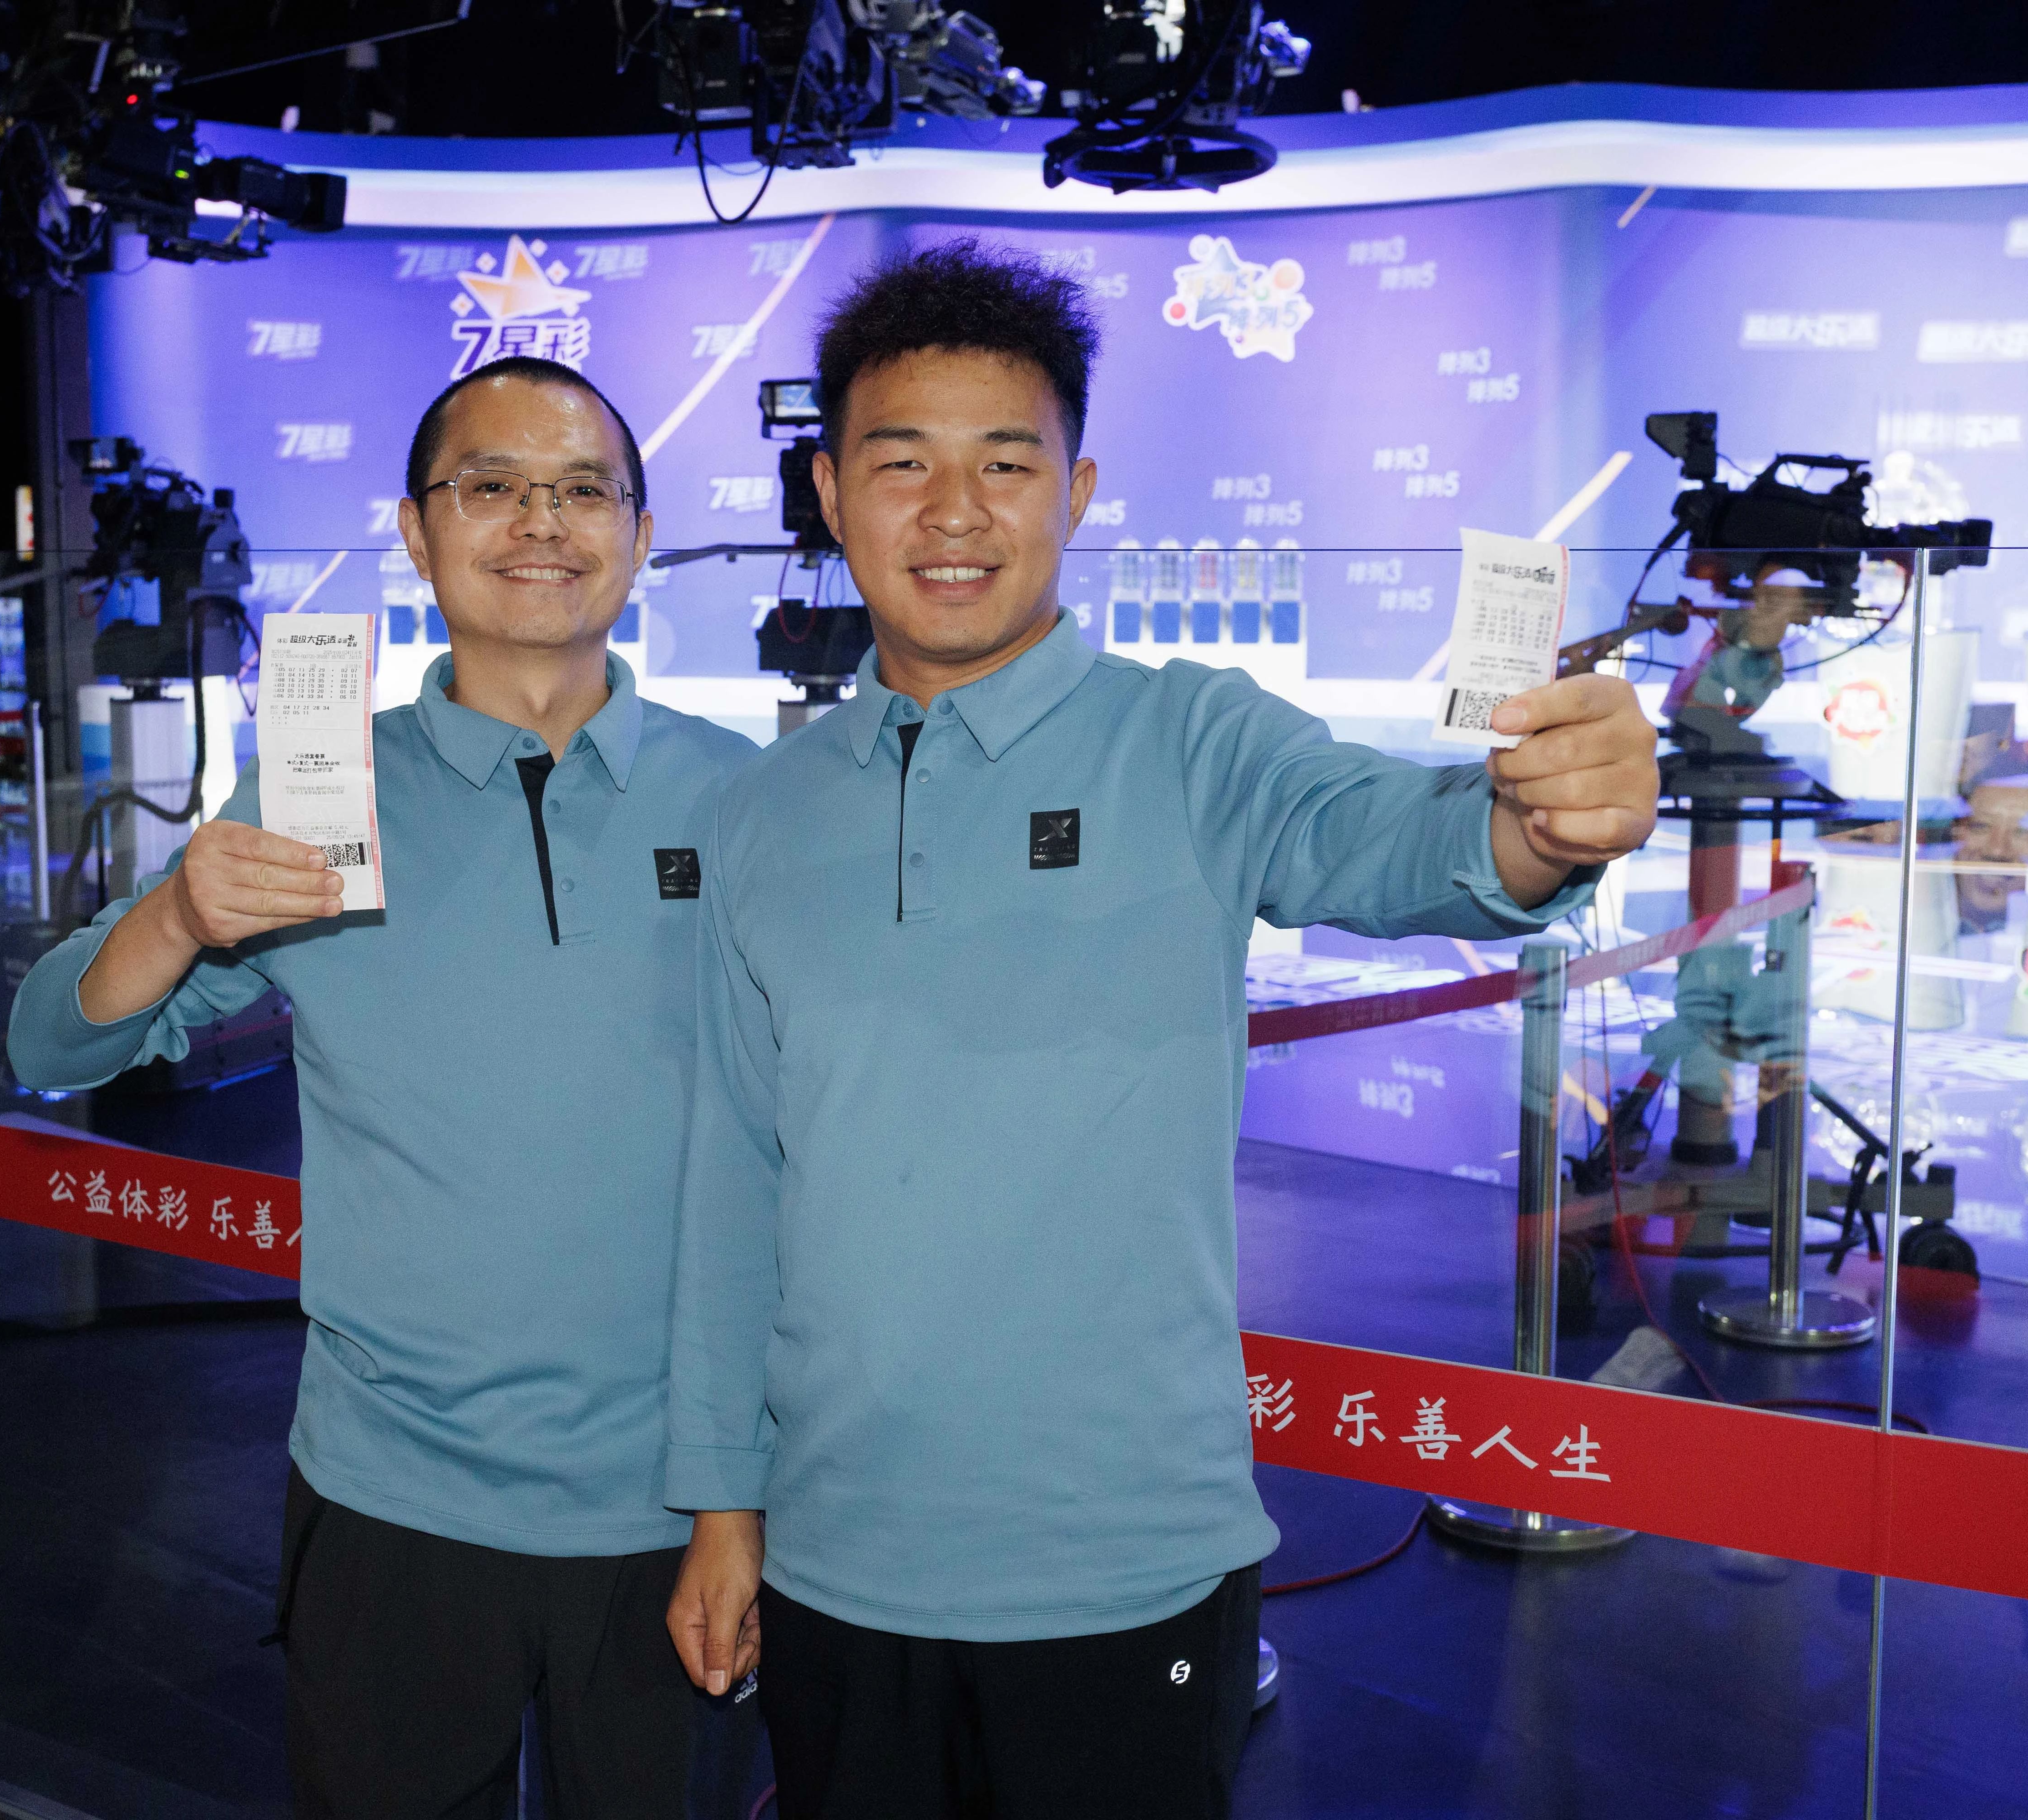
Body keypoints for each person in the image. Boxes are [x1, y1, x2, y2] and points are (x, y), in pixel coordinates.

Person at [662, 242, 1661, 1819]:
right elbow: (734, 1178)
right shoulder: (761, 811)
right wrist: (725, 1507)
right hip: (838, 1553)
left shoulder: (1191, 738)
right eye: (902, 463)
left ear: (1078, 491)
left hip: (1125, 1561)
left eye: (1007, 463)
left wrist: (1538, 832)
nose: (955, 510)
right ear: (831, 494)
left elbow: (1394, 838)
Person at [8, 356, 761, 1820]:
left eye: (583, 487)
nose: (540, 520)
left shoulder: (747, 801)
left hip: (684, 1503)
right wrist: (179, 912)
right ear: (417, 533)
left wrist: (750, 1488)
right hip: (392, 1500)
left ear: (640, 533)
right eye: (491, 486)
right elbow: (51, 1049)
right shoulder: (318, 793)